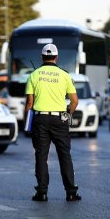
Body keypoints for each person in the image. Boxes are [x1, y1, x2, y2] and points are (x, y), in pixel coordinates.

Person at [25, 43, 81, 202]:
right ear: (56, 57)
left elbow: (30, 103)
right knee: (65, 155)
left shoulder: (34, 75)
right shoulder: (64, 75)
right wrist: (67, 113)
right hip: (59, 119)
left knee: (41, 156)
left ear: (42, 57)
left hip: (40, 119)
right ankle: (71, 192)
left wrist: (27, 124)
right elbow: (74, 101)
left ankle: (42, 193)